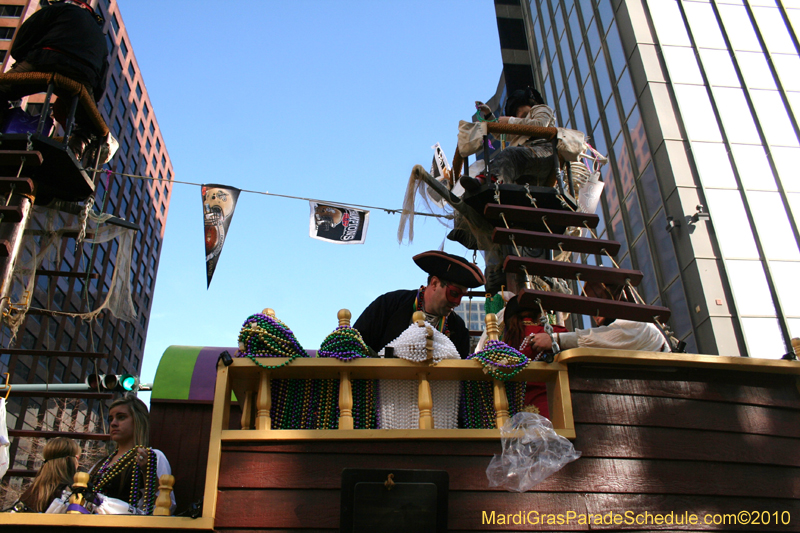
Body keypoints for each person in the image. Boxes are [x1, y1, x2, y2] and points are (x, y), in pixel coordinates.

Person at [0, 0, 108, 149]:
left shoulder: (62, 9)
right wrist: (88, 103)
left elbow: (28, 30)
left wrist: (21, 57)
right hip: (81, 78)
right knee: (89, 126)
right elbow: (101, 83)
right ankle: (76, 151)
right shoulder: (102, 39)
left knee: (2, 89)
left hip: (45, 60)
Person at [354, 250, 485, 358]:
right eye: (454, 294)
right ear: (434, 283)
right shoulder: (390, 304)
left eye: (462, 296)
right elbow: (355, 345)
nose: (457, 302)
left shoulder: (458, 328)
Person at [87, 395, 175, 515]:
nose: (113, 423)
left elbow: (166, 507)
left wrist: (148, 473)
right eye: (111, 418)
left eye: (121, 417)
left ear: (138, 420)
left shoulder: (153, 457)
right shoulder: (100, 464)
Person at [527, 281, 672, 353]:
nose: (594, 316)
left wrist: (555, 339)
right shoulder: (636, 323)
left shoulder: (637, 324)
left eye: (597, 309)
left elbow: (597, 339)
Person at [460, 87, 557, 191]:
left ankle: (486, 181)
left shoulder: (541, 109)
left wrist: (511, 121)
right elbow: (501, 134)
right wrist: (488, 114)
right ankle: (488, 183)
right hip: (527, 167)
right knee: (498, 162)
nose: (519, 116)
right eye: (516, 114)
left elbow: (540, 125)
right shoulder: (520, 126)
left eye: (521, 112)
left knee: (510, 153)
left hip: (544, 152)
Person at [11, 438, 80, 512]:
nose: (78, 464)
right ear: (68, 460)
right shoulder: (69, 495)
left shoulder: (28, 494)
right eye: (77, 458)